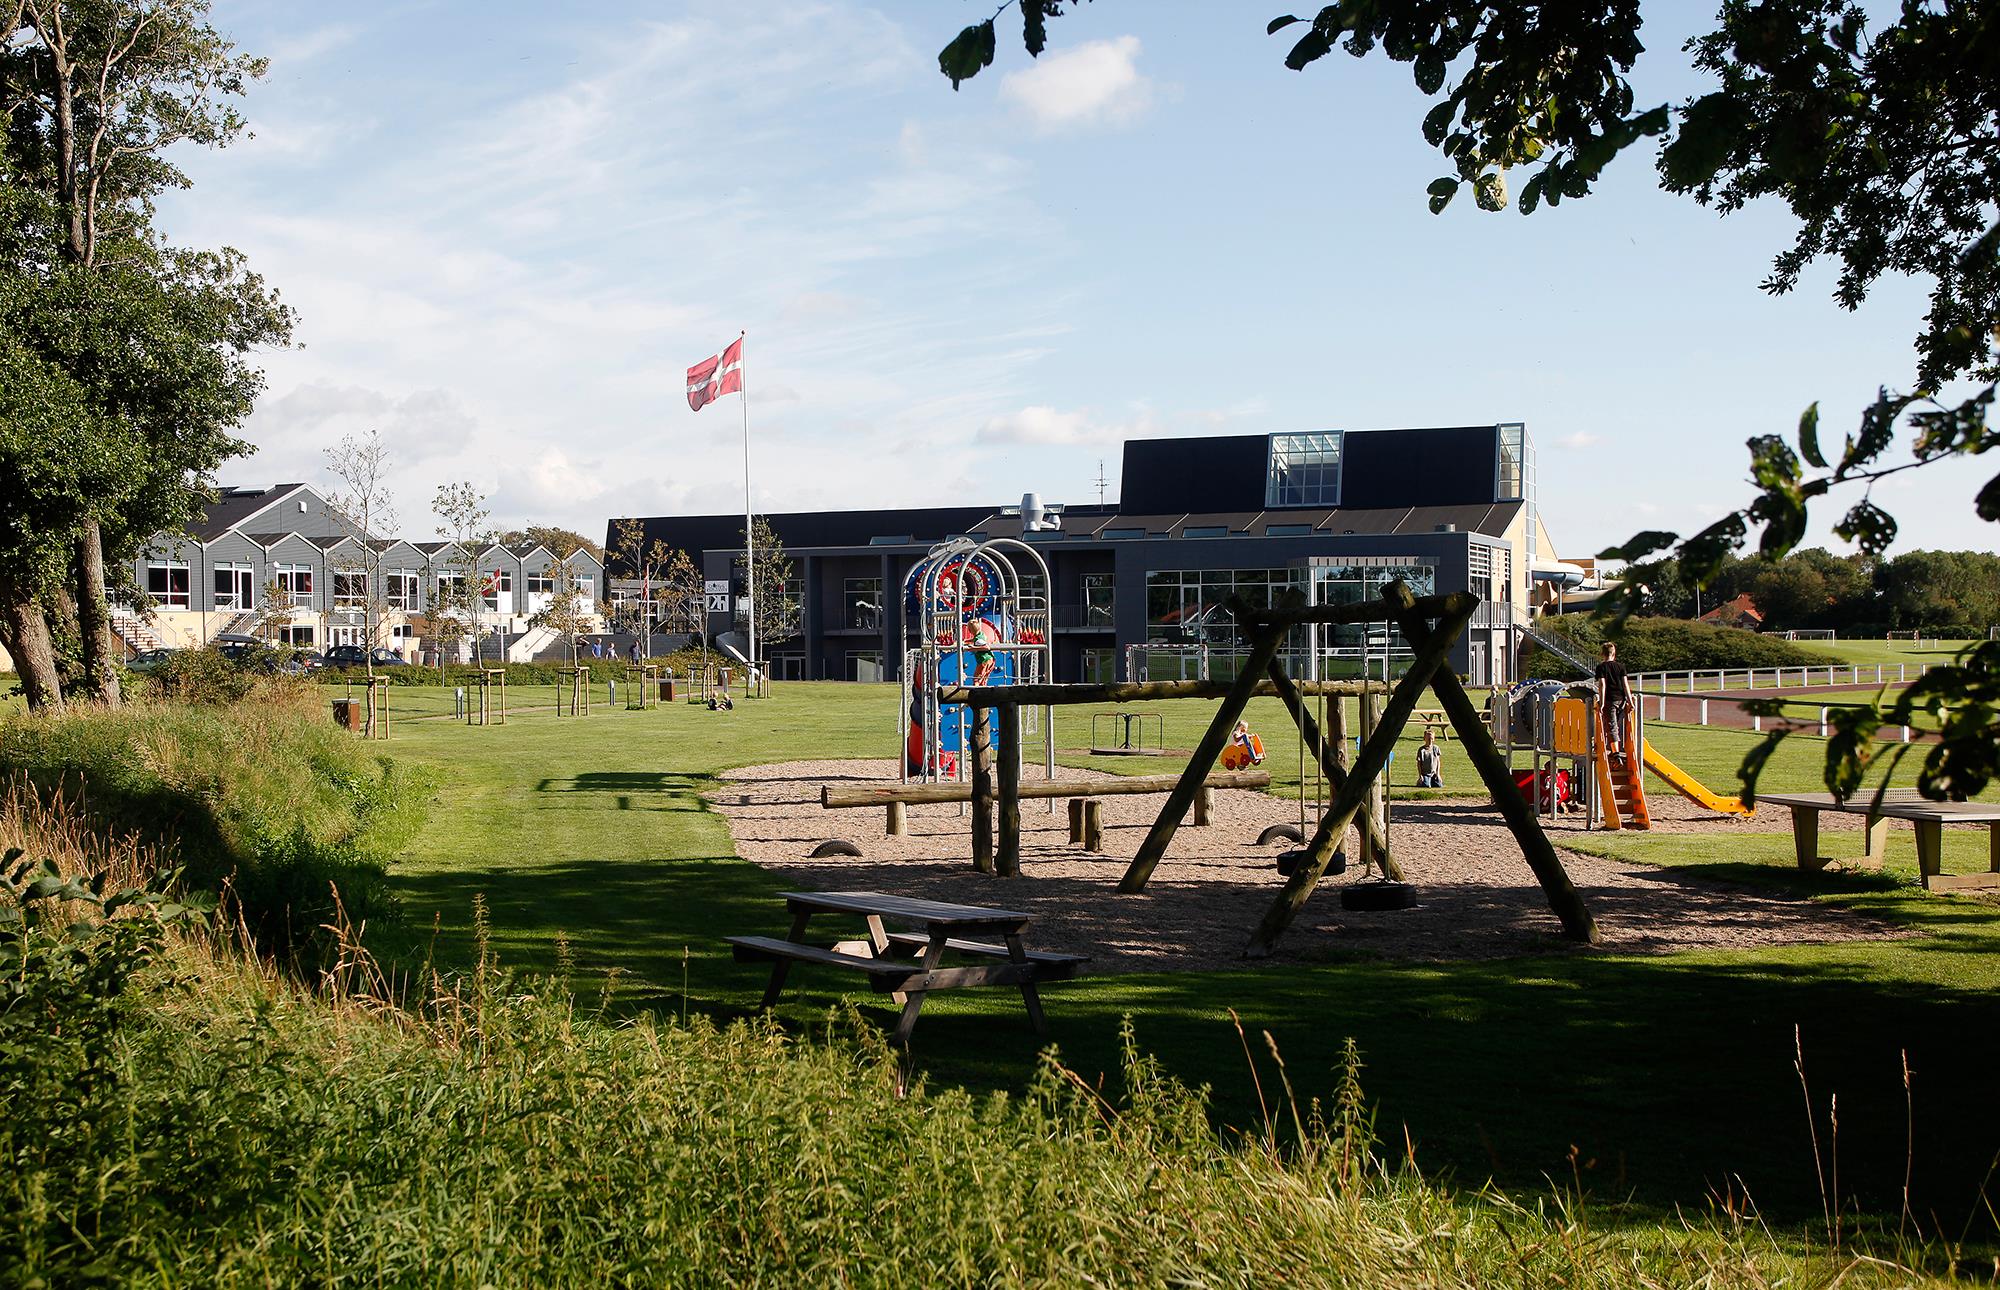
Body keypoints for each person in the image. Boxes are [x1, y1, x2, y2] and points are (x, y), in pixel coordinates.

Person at [1594, 640, 1634, 762]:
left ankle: (1616, 753)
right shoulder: (1620, 667)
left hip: (1609, 700)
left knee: (1611, 725)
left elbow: (1602, 685)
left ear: (1602, 654)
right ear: (1614, 653)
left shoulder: (1601, 667)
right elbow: (1625, 684)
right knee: (1619, 724)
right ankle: (1620, 748)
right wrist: (1630, 701)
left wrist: (1601, 702)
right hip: (1621, 700)